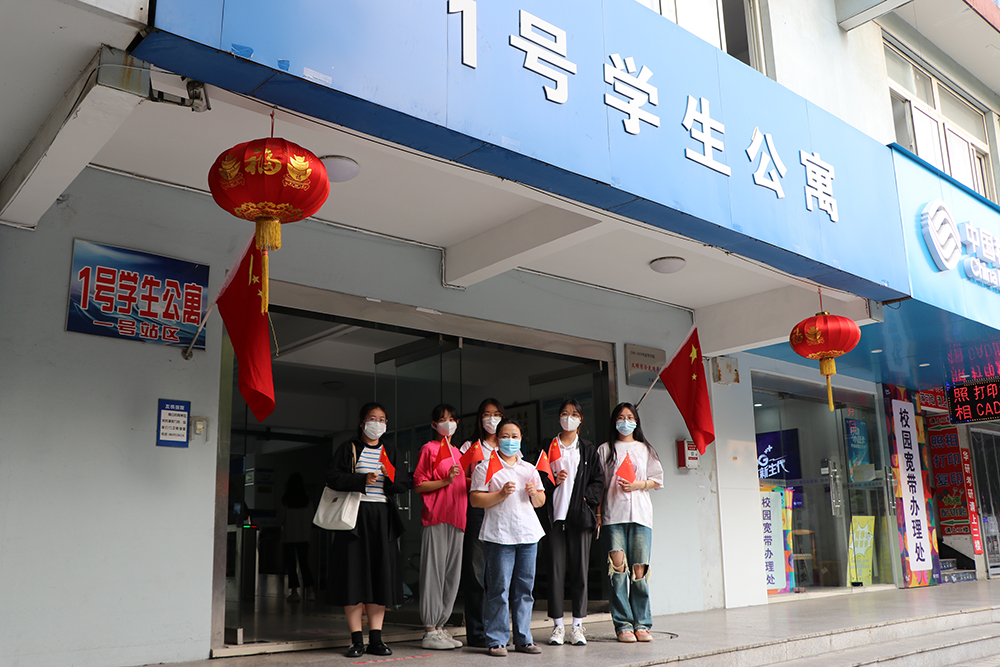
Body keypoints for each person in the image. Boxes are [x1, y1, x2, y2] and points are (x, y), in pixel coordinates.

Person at [326, 402, 410, 658]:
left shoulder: (391, 451)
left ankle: (376, 639)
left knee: (380, 577)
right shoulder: (349, 448)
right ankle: (355, 640)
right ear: (361, 422)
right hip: (354, 517)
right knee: (353, 576)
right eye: (373, 419)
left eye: (382, 419)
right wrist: (362, 480)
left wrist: (390, 477)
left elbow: (405, 483)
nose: (378, 423)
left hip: (383, 517)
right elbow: (333, 477)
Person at [470, 418, 546, 657]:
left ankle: (524, 638)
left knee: (525, 589)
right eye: (505, 436)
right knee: (498, 588)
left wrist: (534, 494)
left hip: (528, 534)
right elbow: (475, 499)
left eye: (515, 436)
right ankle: (496, 640)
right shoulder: (485, 467)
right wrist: (500, 494)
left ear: (521, 439)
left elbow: (541, 501)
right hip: (499, 535)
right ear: (496, 439)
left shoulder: (529, 468)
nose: (510, 440)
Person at [538, 399, 604, 646]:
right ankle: (557, 626)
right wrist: (553, 480)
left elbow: (599, 480)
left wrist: (586, 499)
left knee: (580, 571)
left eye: (574, 414)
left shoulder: (587, 449)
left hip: (579, 517)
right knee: (555, 571)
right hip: (554, 517)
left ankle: (577, 625)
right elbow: (537, 477)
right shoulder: (548, 446)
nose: (569, 417)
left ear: (581, 419)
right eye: (565, 413)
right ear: (558, 418)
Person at [597, 402, 663, 643]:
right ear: (614, 421)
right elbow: (600, 485)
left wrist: (638, 484)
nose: (625, 421)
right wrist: (598, 514)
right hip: (613, 516)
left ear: (636, 421)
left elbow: (657, 479)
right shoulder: (605, 449)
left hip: (641, 516)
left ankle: (642, 623)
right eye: (621, 417)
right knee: (617, 570)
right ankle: (623, 624)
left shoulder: (646, 449)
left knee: (639, 570)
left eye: (630, 417)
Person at [413, 404, 467, 650]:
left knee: (451, 575)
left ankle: (440, 626)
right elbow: (419, 484)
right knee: (433, 572)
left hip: (458, 518)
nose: (449, 423)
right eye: (443, 419)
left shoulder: (457, 452)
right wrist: (445, 480)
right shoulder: (429, 449)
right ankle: (429, 629)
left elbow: (461, 483)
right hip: (436, 516)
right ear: (434, 424)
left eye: (452, 419)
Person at [459, 398, 505, 648]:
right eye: (487, 414)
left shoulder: (509, 444)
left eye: (496, 414)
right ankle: (477, 632)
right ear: (480, 419)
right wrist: (482, 481)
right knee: (476, 573)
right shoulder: (471, 446)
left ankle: (497, 630)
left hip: (503, 513)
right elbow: (459, 478)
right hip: (478, 511)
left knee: (499, 575)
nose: (492, 419)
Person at [278, 472, 316, 603]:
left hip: (289, 537)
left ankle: (294, 592)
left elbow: (280, 518)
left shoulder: (285, 500)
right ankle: (310, 591)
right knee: (304, 564)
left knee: (291, 565)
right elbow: (312, 517)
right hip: (304, 537)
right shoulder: (307, 500)